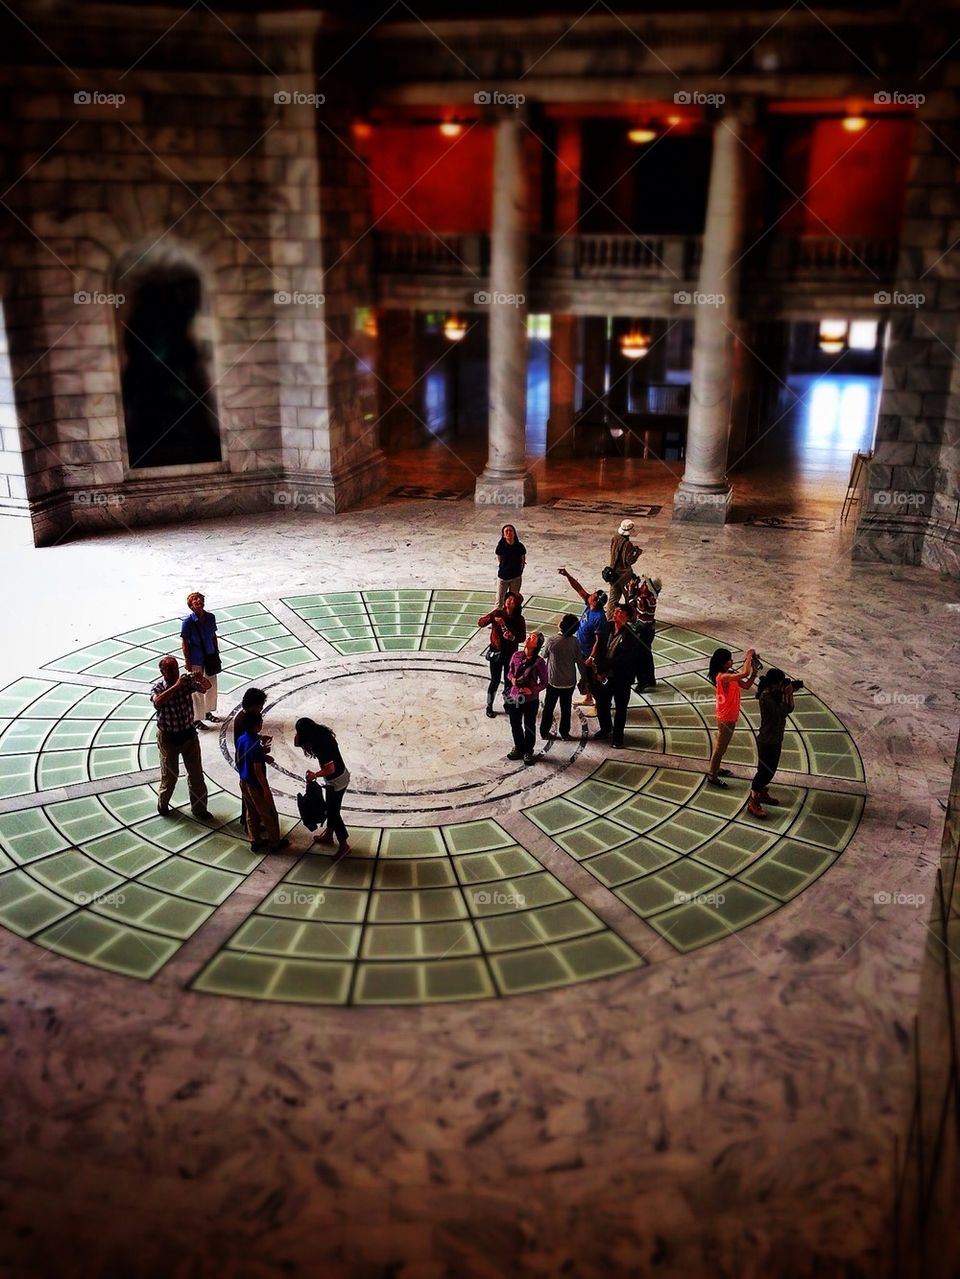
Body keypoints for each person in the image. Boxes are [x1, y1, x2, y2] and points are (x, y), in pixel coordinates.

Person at [150, 655, 212, 819]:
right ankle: (163, 803)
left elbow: (206, 687)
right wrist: (176, 686)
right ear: (163, 672)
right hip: (168, 738)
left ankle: (199, 809)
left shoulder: (186, 683)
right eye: (170, 669)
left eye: (176, 668)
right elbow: (157, 702)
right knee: (170, 776)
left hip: (188, 735)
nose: (175, 672)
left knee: (196, 774)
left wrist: (200, 678)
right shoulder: (158, 688)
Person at [294, 717, 351, 855]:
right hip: (339, 777)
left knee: (333, 813)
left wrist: (315, 775)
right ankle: (329, 836)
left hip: (336, 781)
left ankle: (344, 845)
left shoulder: (320, 745)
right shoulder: (321, 733)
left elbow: (330, 769)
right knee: (332, 809)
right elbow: (296, 742)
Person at [235, 711, 288, 853]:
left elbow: (245, 756)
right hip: (256, 785)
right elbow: (258, 771)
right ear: (256, 725)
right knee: (269, 814)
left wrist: (262, 754)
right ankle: (274, 843)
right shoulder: (255, 747)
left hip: (243, 781)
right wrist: (266, 790)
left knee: (251, 812)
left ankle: (255, 840)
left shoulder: (241, 739)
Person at [706, 646, 759, 788]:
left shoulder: (730, 674)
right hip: (725, 718)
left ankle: (715, 768)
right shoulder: (723, 677)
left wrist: (754, 673)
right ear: (723, 663)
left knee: (722, 747)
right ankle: (712, 775)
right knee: (720, 748)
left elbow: (746, 685)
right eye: (729, 659)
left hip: (731, 716)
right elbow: (745, 672)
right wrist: (749, 656)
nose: (732, 661)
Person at [589, 604, 640, 749]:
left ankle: (618, 738)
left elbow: (623, 659)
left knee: (620, 708)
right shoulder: (608, 627)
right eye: (616, 611)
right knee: (602, 702)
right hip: (604, 675)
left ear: (627, 617)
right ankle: (606, 728)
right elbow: (599, 648)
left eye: (619, 612)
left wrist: (604, 668)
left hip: (621, 678)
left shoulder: (631, 636)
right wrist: (599, 671)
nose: (615, 613)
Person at [748, 669, 796, 818]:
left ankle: (761, 793)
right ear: (775, 683)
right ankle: (753, 801)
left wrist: (789, 694)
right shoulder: (766, 697)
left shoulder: (774, 694)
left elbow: (790, 708)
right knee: (764, 772)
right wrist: (786, 694)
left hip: (775, 738)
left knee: (771, 770)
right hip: (767, 740)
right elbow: (782, 711)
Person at [557, 567, 608, 707]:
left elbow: (598, 641)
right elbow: (578, 588)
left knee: (593, 679)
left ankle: (598, 705)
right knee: (585, 676)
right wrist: (567, 575)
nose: (590, 594)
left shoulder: (599, 618)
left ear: (595, 601)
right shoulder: (589, 604)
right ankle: (588, 698)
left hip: (589, 653)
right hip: (581, 649)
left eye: (593, 595)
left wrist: (591, 657)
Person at [478, 590, 526, 717]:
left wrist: (513, 637)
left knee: (509, 681)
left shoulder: (519, 619)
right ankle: (489, 706)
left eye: (512, 600)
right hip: (496, 653)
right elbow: (481, 623)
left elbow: (522, 637)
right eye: (508, 599)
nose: (509, 601)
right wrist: (492, 618)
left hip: (511, 655)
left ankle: (508, 705)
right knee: (495, 680)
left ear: (517, 604)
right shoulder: (497, 613)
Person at [539, 614, 586, 741]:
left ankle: (544, 732)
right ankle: (564, 733)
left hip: (553, 681)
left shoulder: (552, 640)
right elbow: (580, 662)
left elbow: (543, 655)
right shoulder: (575, 642)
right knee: (566, 709)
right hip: (569, 682)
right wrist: (584, 677)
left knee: (549, 708)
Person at [505, 631, 548, 765]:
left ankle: (528, 750)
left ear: (537, 645)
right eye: (529, 636)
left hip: (530, 699)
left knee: (529, 725)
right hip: (514, 696)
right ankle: (519, 747)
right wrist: (512, 679)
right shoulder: (516, 655)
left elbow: (544, 681)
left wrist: (532, 690)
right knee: (515, 724)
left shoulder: (539, 662)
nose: (528, 638)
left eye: (532, 638)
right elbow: (510, 672)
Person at [180, 590, 220, 729]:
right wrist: (187, 661)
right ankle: (196, 718)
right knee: (197, 689)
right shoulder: (188, 622)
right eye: (194, 600)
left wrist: (216, 652)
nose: (198, 601)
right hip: (196, 659)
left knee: (211, 685)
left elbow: (213, 636)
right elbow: (185, 643)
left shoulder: (210, 617)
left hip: (210, 656)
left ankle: (207, 712)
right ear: (191, 605)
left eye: (199, 599)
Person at [624, 573, 662, 693]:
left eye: (645, 584)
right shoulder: (650, 598)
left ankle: (642, 682)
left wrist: (631, 588)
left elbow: (631, 602)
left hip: (643, 631)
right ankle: (650, 679)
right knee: (647, 654)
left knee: (639, 656)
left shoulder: (645, 600)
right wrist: (633, 586)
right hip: (648, 629)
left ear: (649, 589)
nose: (643, 585)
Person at [606, 518, 642, 618]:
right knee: (629, 597)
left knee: (613, 598)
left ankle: (609, 618)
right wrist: (637, 553)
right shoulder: (628, 544)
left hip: (613, 574)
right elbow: (629, 561)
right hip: (624, 576)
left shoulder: (614, 538)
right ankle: (631, 618)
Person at [494, 524, 526, 607]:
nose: (509, 533)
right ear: (504, 535)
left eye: (510, 530)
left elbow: (522, 561)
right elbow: (500, 560)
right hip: (503, 577)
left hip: (515, 578)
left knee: (514, 601)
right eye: (506, 531)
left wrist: (519, 572)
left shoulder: (520, 547)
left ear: (514, 533)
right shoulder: (500, 547)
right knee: (499, 600)